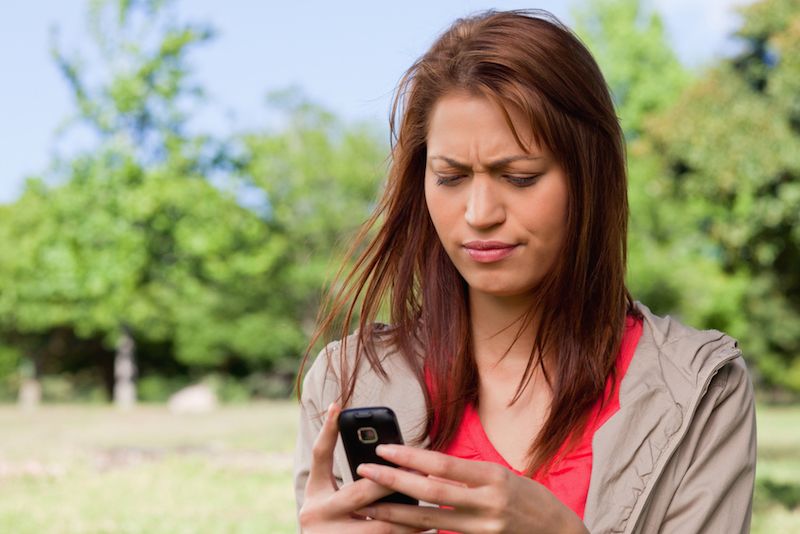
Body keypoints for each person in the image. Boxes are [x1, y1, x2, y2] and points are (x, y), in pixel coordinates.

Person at [293, 9, 756, 533]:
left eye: (518, 176)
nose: (480, 213)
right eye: (450, 177)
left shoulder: (701, 387)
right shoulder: (347, 382)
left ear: (590, 178)